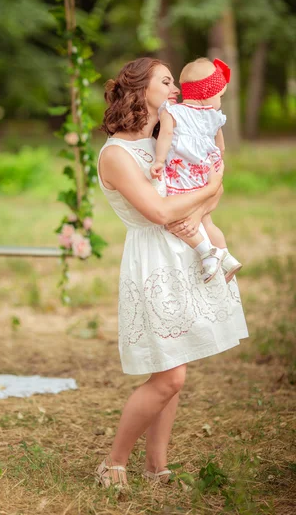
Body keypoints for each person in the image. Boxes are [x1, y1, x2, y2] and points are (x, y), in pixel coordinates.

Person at [95, 57, 248, 490]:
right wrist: (208, 190)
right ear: (141, 90)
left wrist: (201, 204)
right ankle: (114, 462)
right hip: (154, 263)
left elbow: (211, 178)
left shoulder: (171, 133)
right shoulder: (117, 154)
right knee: (170, 375)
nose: (177, 88)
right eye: (167, 81)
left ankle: (157, 468)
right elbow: (160, 210)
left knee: (172, 370)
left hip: (187, 250)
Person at [150, 57, 242, 284]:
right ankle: (226, 256)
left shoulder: (173, 112)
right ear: (206, 94)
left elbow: (167, 136)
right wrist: (216, 163)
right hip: (204, 173)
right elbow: (220, 147)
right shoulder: (213, 116)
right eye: (219, 95)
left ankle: (207, 253)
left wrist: (160, 160)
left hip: (184, 177)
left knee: (178, 224)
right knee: (206, 221)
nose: (219, 100)